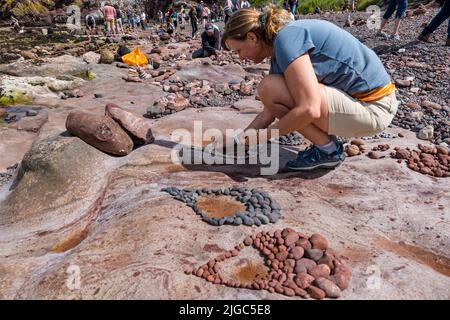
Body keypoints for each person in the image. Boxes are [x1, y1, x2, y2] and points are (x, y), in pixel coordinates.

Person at [219, 7, 398, 171]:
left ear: (252, 37)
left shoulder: (287, 39)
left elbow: (309, 109)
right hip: (365, 102)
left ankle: (329, 151)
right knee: (272, 89)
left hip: (375, 108)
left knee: (270, 87)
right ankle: (327, 146)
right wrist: (240, 142)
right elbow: (270, 111)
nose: (241, 58)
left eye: (239, 50)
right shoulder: (281, 44)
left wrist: (262, 137)